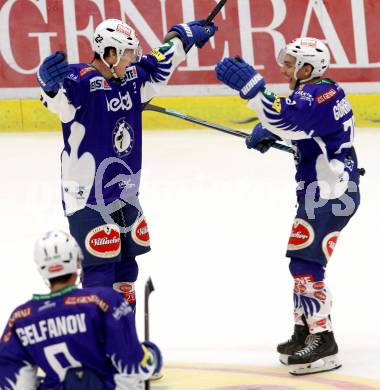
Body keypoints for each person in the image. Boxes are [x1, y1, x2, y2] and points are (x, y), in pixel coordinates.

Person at [36, 19, 217, 307]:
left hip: (126, 193)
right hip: (88, 197)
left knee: (126, 270)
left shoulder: (132, 76)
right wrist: (49, 87)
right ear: (109, 53)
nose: (133, 59)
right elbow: (58, 102)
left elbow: (162, 60)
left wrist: (183, 37)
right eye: (128, 53)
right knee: (99, 272)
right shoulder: (79, 81)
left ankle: (124, 335)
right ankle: (99, 341)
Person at [215, 37, 362, 375]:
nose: (283, 67)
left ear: (308, 68)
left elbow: (290, 117)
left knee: (305, 263)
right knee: (301, 262)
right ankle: (305, 330)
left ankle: (323, 340)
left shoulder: (315, 96)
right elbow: (300, 124)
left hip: (330, 195)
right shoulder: (323, 90)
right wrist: (273, 131)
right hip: (326, 190)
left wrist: (254, 92)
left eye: (289, 62)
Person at [0, 230, 162, 389]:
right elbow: (135, 366)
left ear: (41, 268)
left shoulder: (21, 317)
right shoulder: (103, 301)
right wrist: (152, 355)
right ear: (78, 261)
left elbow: (17, 383)